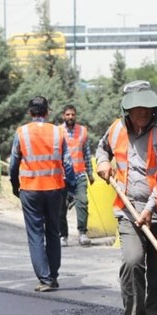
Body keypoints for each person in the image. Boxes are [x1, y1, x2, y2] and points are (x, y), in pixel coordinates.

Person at [95, 80, 157, 315]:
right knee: (132, 262)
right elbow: (101, 149)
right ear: (127, 109)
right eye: (137, 107)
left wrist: (151, 209)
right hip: (128, 211)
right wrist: (103, 162)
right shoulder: (116, 129)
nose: (143, 112)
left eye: (147, 107)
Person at [9, 96, 74, 292]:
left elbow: (13, 163)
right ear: (48, 112)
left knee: (36, 234)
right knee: (53, 232)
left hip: (30, 189)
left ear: (30, 113)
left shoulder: (21, 133)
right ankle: (52, 276)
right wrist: (70, 188)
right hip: (54, 189)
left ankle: (45, 279)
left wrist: (15, 185)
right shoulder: (58, 132)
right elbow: (68, 164)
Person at [58, 104, 94, 247]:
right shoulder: (58, 131)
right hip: (62, 176)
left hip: (79, 175)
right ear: (63, 116)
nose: (70, 117)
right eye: (68, 115)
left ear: (76, 116)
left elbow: (86, 153)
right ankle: (63, 235)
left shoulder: (82, 131)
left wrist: (90, 174)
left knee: (82, 202)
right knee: (61, 207)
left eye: (73, 114)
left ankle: (82, 233)